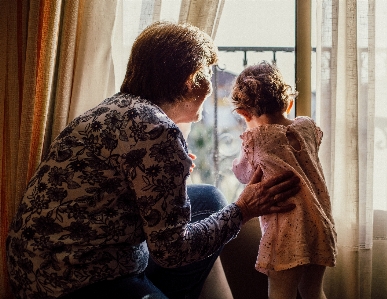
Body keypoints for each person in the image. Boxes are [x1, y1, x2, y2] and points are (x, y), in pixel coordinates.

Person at [5, 22, 300, 299]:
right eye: (208, 73)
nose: (210, 84)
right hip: (78, 282)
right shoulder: (157, 130)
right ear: (190, 80)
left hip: (32, 266)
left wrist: (169, 174)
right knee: (215, 214)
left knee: (208, 198)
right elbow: (172, 250)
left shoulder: (114, 108)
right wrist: (244, 208)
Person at [231, 62, 337, 299]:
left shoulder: (256, 139)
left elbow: (244, 174)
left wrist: (244, 148)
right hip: (318, 223)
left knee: (281, 294)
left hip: (286, 234)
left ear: (243, 113)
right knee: (313, 292)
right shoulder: (307, 126)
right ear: (288, 103)